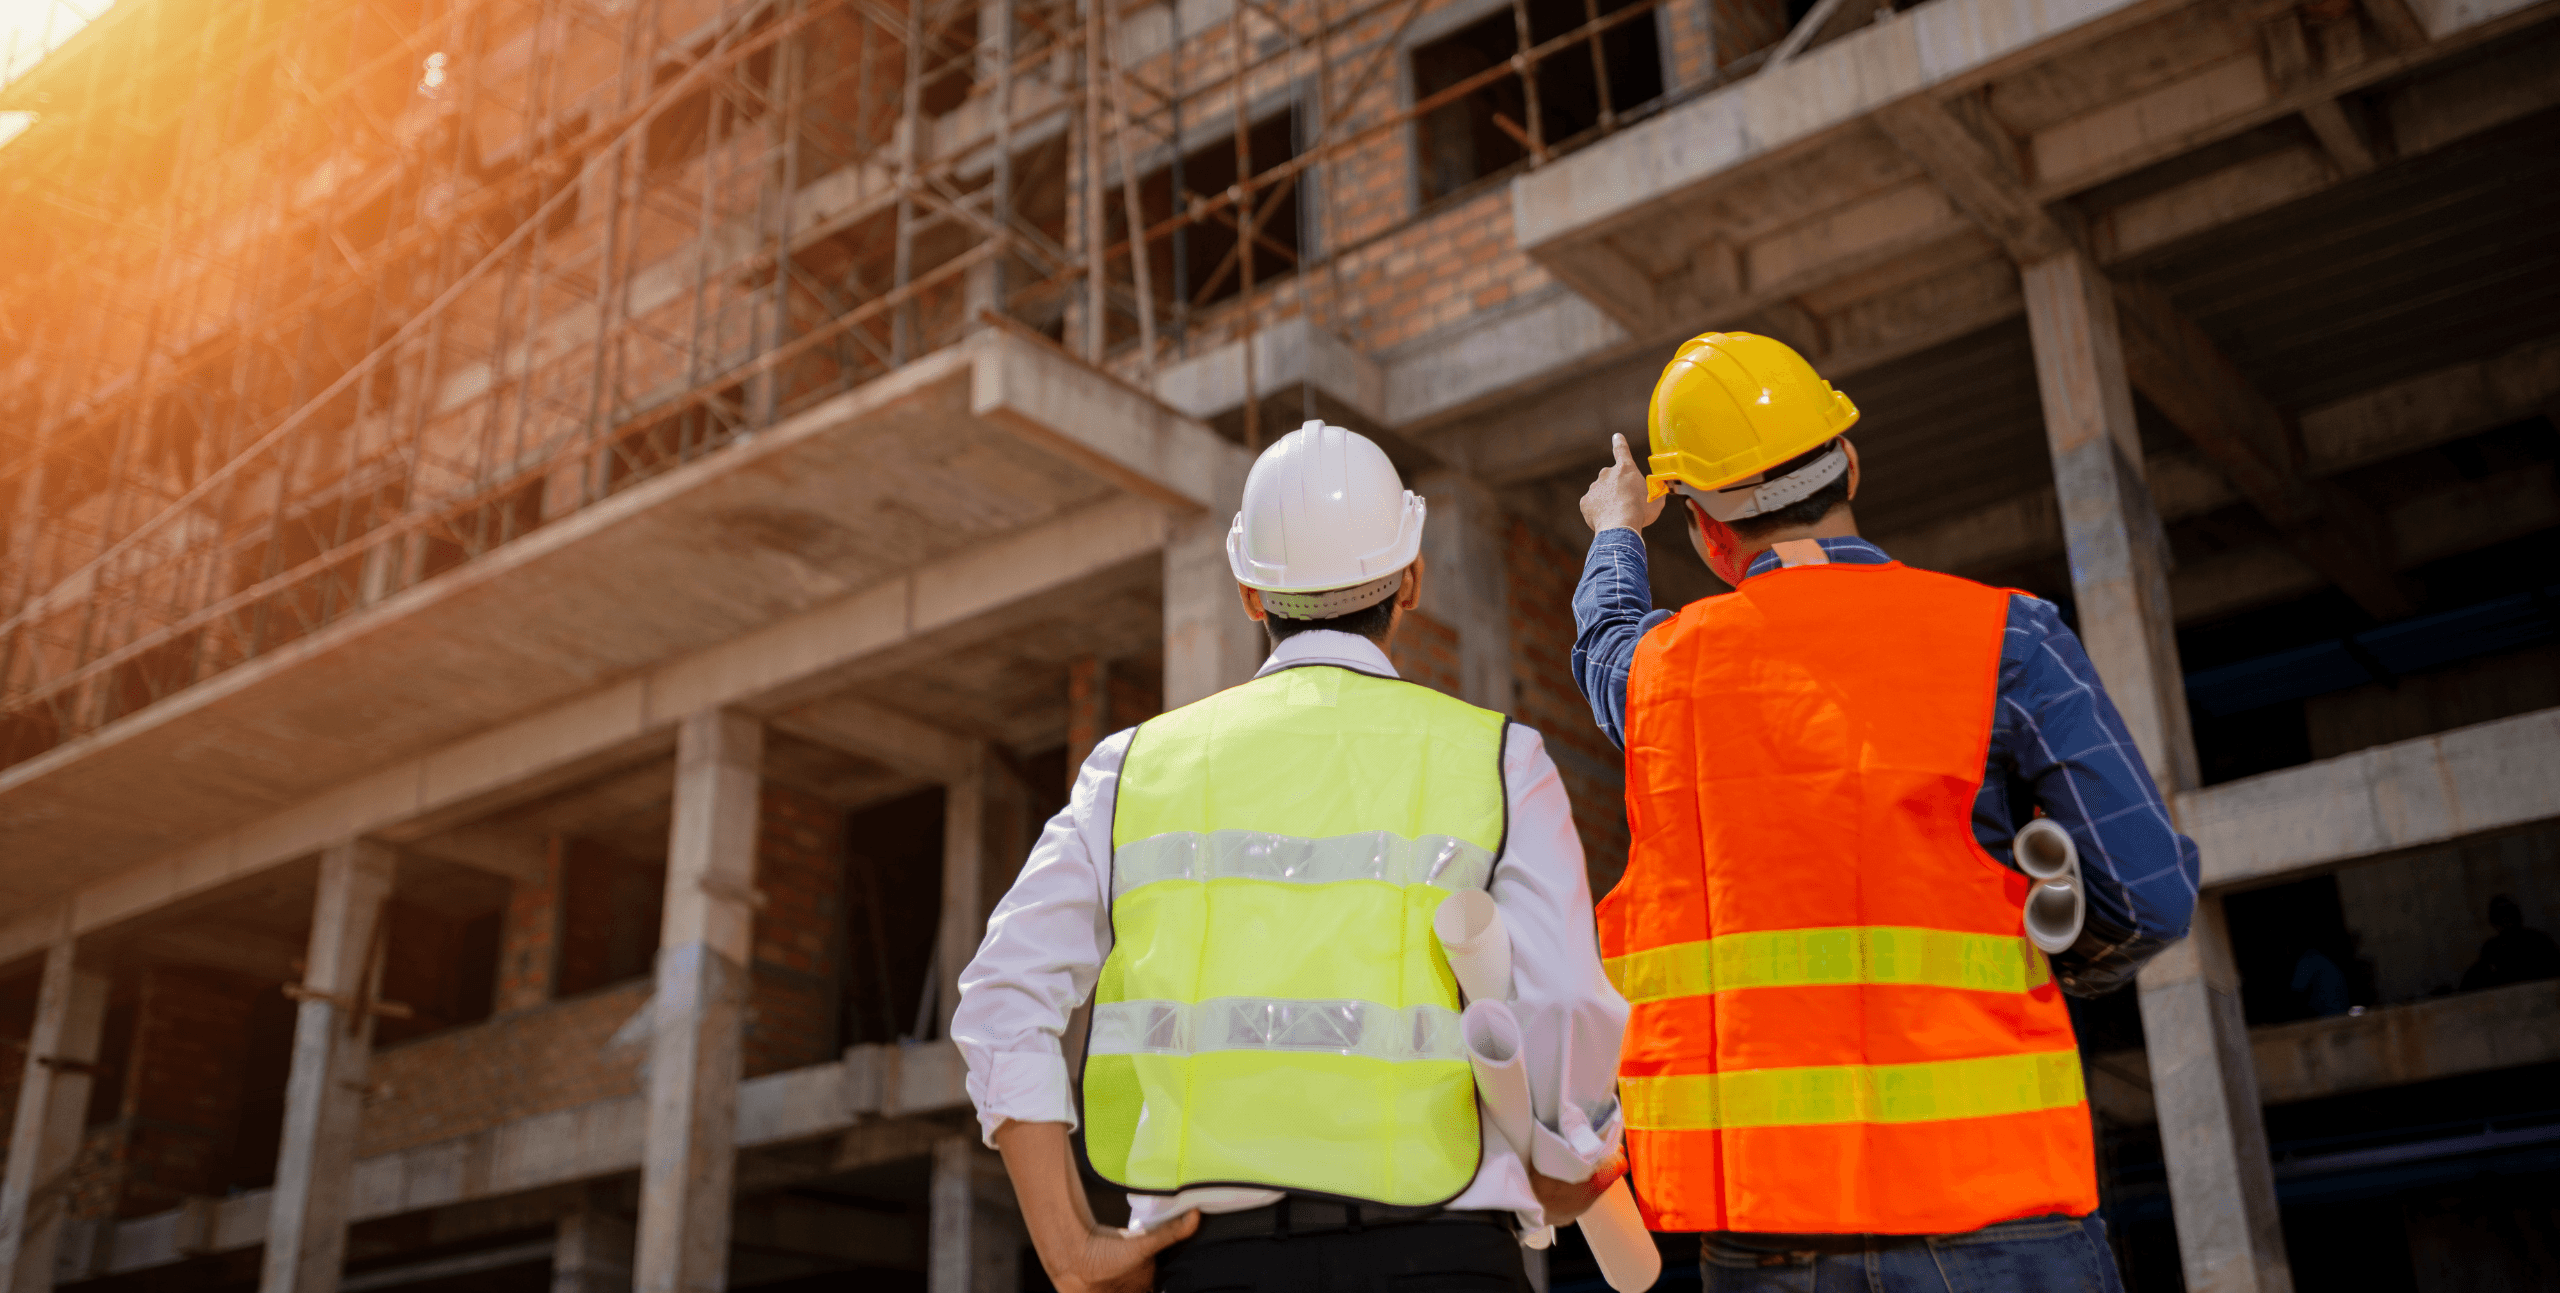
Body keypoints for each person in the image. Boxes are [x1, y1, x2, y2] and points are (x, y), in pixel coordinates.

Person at [1571, 333, 2203, 1290]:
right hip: (2005, 1225)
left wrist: (1618, 528)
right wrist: (2062, 956)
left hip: (1771, 1246)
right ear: (1850, 462)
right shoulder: (2008, 636)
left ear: (1706, 535)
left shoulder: (1665, 679)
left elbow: (1607, 640)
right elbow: (2149, 893)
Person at [954, 421, 1631, 1293]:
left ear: (1248, 591)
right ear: (1412, 578)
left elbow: (1003, 995)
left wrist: (1069, 1249)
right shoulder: (1500, 758)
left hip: (1210, 1264)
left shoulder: (1134, 769)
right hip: (1443, 1258)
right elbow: (1568, 997)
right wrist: (1569, 1149)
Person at [2461, 894, 2560, 991]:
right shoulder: (2491, 948)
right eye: (2500, 917)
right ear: (2494, 922)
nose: (2506, 920)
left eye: (2510, 914)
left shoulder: (2538, 941)